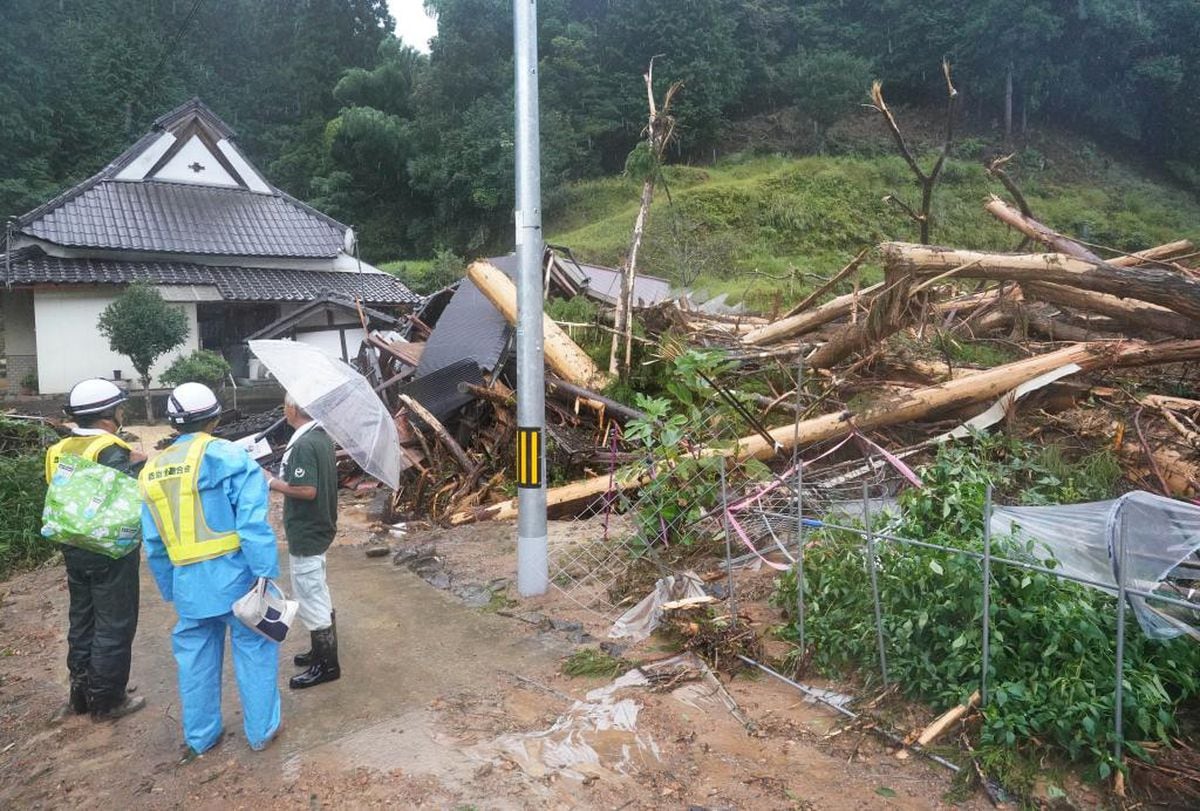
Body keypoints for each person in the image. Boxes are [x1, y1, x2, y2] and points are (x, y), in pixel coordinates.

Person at [138, 382, 281, 760]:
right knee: (254, 649)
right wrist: (265, 574)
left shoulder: (152, 471)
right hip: (238, 579)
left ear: (173, 422)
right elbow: (253, 526)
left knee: (195, 661)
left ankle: (201, 738)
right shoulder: (230, 458)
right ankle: (260, 732)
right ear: (216, 417)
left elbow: (153, 543)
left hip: (189, 587)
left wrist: (171, 589)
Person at [46, 379, 147, 722]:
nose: (121, 414)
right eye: (119, 409)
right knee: (114, 622)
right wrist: (140, 464)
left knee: (83, 617)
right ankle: (107, 700)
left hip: (73, 545)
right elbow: (124, 496)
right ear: (107, 417)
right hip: (109, 549)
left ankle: (81, 693)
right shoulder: (109, 448)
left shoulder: (61, 449)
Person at [265, 392, 340, 689]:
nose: (284, 409)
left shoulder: (305, 444)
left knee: (310, 595)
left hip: (308, 529)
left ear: (293, 408)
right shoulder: (320, 437)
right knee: (316, 589)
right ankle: (320, 651)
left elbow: (307, 489)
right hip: (319, 527)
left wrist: (270, 482)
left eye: (285, 405)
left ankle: (327, 664)